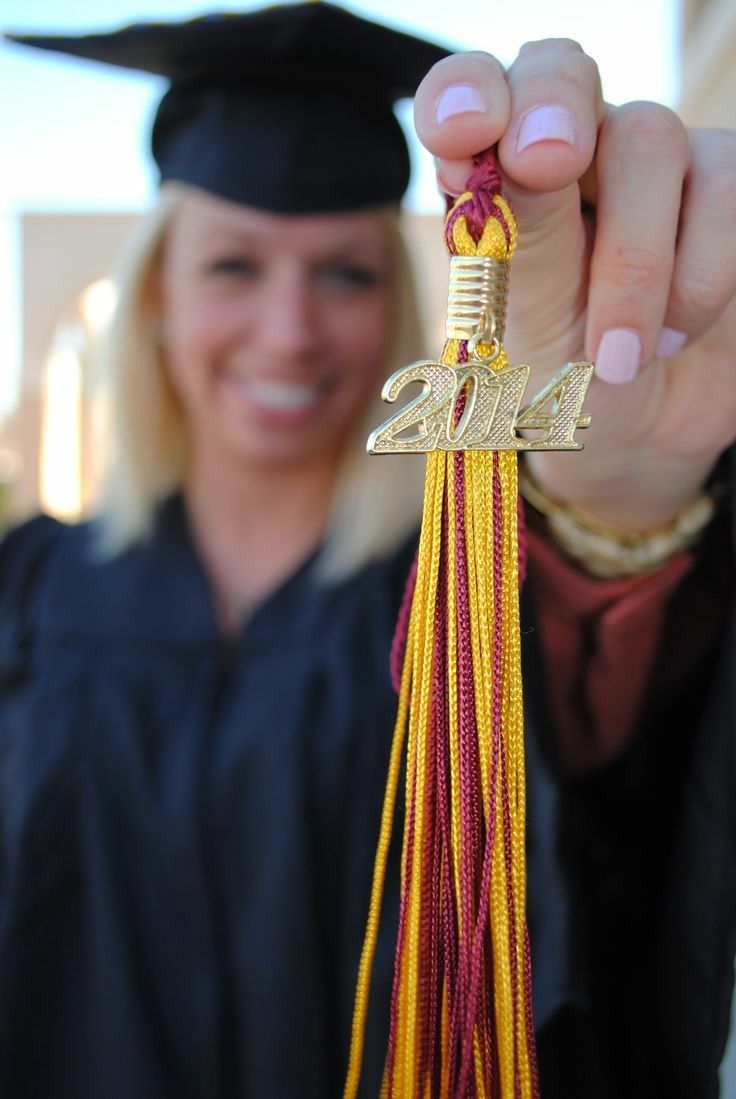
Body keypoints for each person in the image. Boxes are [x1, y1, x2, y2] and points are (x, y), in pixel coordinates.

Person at [2, 4, 734, 1098]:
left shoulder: (467, 605)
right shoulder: (24, 595)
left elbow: (616, 807)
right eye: (234, 268)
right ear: (155, 298)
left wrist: (623, 495)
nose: (290, 329)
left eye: (344, 273)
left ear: (399, 303)